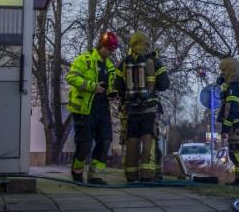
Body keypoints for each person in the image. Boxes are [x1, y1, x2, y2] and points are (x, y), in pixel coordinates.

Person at [66, 32, 121, 185]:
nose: (110, 53)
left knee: (105, 141)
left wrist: (113, 93)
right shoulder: (84, 60)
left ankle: (95, 176)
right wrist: (91, 86)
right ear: (101, 45)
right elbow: (71, 77)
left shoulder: (109, 66)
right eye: (108, 49)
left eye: (112, 50)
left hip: (102, 108)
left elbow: (111, 84)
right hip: (84, 108)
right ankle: (77, 172)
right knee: (85, 144)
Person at [117, 32, 170, 182]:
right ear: (147, 44)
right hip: (150, 110)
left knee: (132, 142)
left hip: (131, 111)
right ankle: (148, 175)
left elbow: (117, 86)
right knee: (149, 141)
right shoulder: (155, 61)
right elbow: (164, 84)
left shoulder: (125, 62)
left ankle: (131, 175)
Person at [217, 57, 239, 186]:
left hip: (236, 127)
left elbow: (230, 108)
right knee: (234, 153)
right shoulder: (232, 86)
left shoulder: (234, 87)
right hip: (236, 126)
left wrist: (225, 127)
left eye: (224, 71)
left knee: (238, 153)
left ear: (230, 71)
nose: (222, 74)